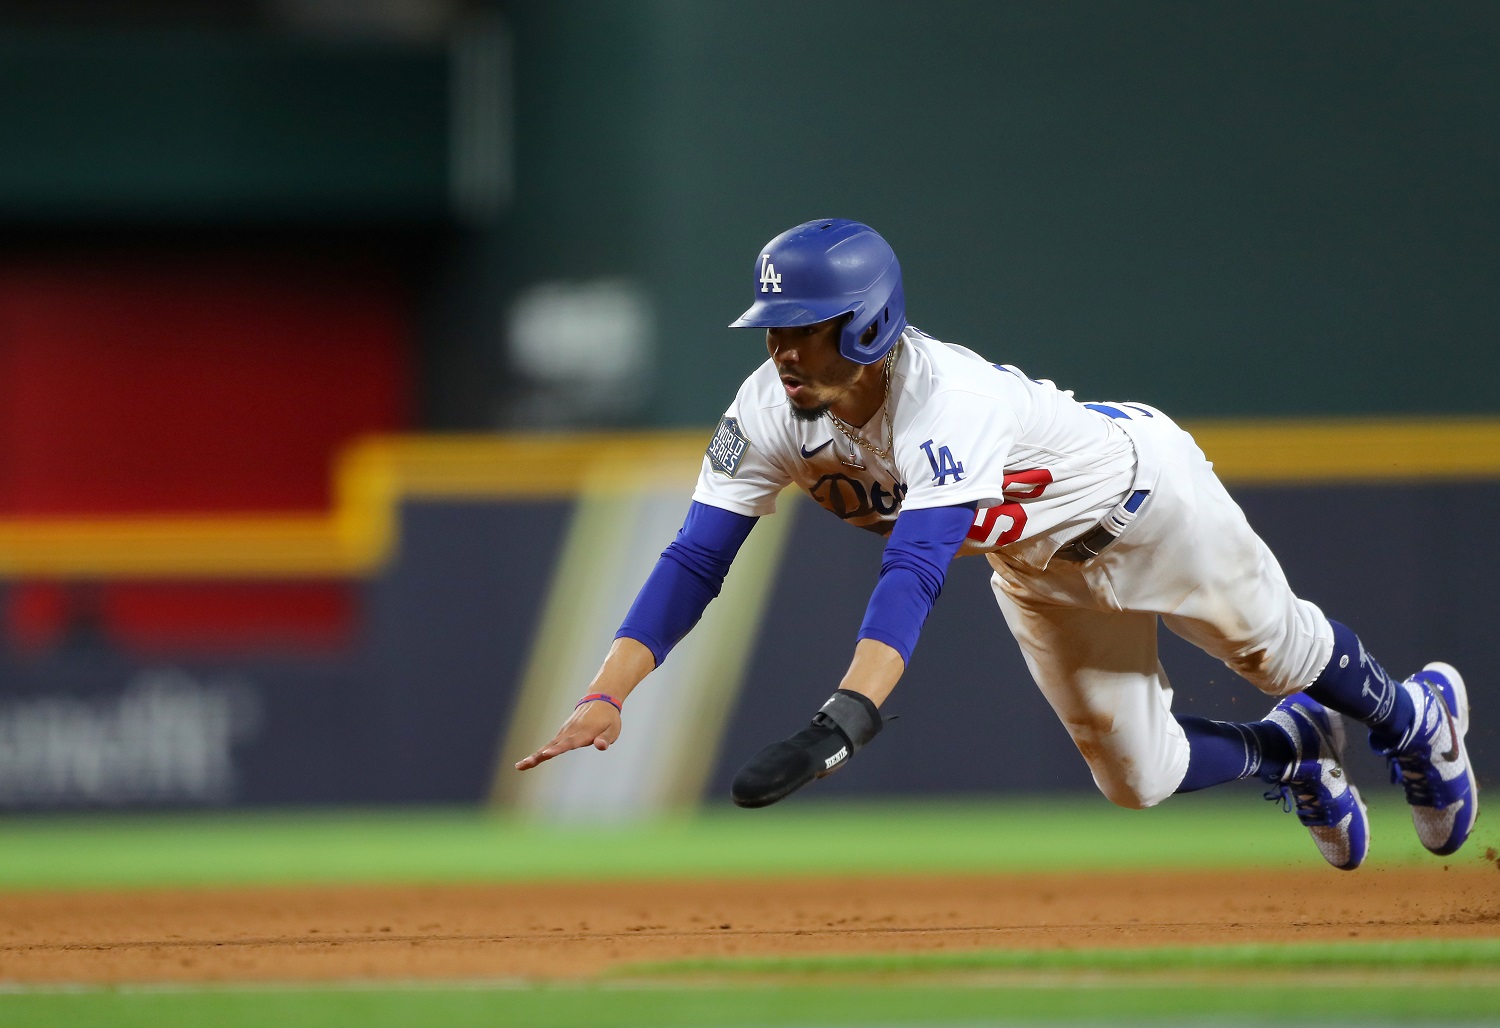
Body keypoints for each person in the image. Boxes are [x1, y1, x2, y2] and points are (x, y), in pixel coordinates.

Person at [515, 218, 1477, 870]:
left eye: (804, 329)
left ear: (868, 323)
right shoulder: (768, 408)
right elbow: (695, 557)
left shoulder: (949, 398)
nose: (781, 349)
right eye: (774, 328)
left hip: (1145, 500)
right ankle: (1294, 758)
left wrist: (850, 714)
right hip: (1033, 567)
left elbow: (917, 566)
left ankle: (1414, 722)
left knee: (1285, 653)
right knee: (1138, 781)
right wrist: (609, 692)